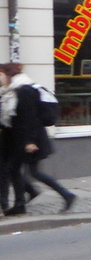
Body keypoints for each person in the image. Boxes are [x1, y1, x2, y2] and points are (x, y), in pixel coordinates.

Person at [0, 62, 75, 215]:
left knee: (32, 172)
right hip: (22, 139)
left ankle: (67, 195)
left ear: (8, 74)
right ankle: (21, 204)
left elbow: (30, 118)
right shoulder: (11, 91)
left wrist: (30, 141)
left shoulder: (25, 91)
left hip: (32, 140)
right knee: (16, 170)